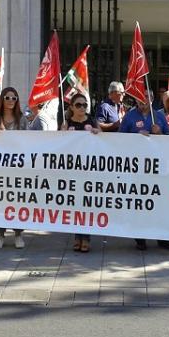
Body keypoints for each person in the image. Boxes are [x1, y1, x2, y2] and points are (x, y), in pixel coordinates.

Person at [119, 93, 169, 251]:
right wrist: (136, 137)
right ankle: (140, 238)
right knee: (140, 203)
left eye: (146, 98)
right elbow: (119, 140)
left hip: (157, 167)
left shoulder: (159, 116)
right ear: (136, 99)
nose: (143, 101)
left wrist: (159, 134)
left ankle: (162, 238)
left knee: (160, 202)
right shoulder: (129, 117)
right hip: (137, 167)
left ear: (151, 99)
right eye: (140, 98)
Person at [0, 87, 28, 249]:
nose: (11, 101)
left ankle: (18, 234)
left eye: (14, 98)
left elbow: (30, 141)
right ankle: (0, 234)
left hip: (17, 168)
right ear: (2, 99)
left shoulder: (22, 120)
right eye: (8, 97)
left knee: (17, 202)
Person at [61, 93, 100, 253]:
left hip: (89, 170)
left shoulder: (91, 121)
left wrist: (98, 133)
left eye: (85, 105)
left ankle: (86, 238)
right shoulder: (67, 123)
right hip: (73, 170)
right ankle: (77, 237)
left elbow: (104, 140)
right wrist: (62, 133)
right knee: (76, 205)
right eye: (78, 105)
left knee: (87, 204)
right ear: (71, 107)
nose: (82, 108)